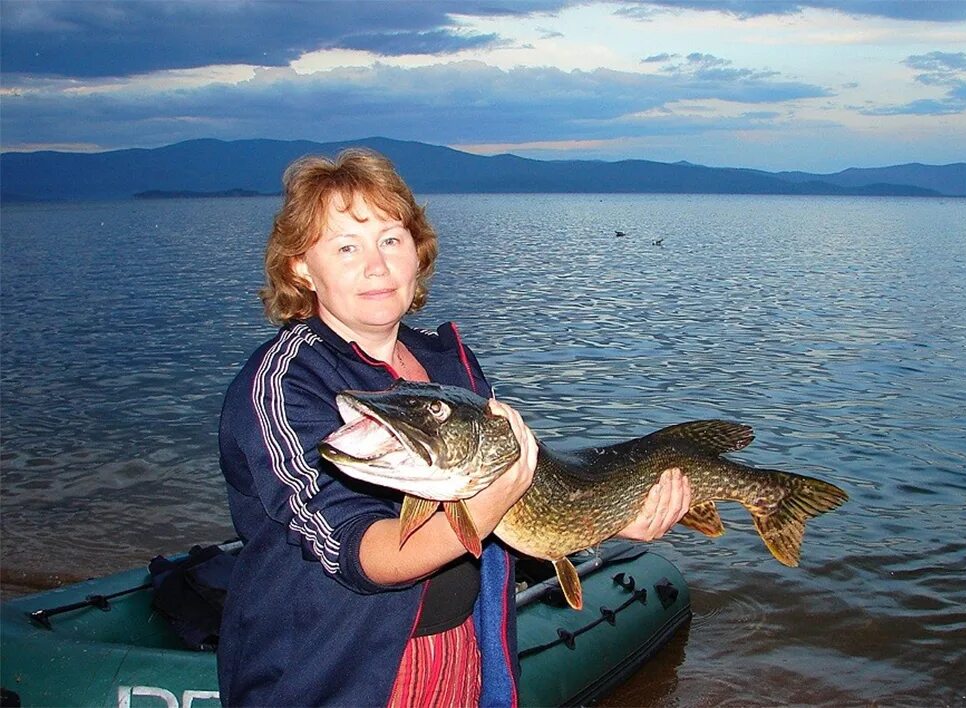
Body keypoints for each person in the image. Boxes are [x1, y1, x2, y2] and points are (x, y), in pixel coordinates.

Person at [216, 148, 692, 707]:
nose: (377, 265)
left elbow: (523, 508)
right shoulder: (285, 380)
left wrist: (608, 518)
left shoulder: (450, 368)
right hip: (336, 670)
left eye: (391, 239)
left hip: (460, 653)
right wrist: (484, 508)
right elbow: (360, 552)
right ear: (300, 267)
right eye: (346, 247)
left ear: (417, 252)